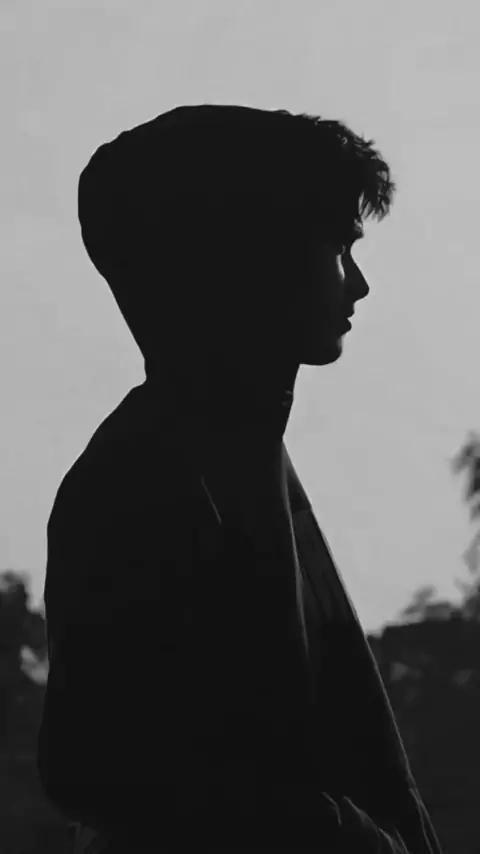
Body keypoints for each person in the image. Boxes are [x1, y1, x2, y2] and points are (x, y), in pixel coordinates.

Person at [37, 104, 443, 853]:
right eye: (337, 248)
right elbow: (99, 764)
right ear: (251, 260)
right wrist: (346, 837)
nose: (358, 286)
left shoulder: (246, 462)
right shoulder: (144, 478)